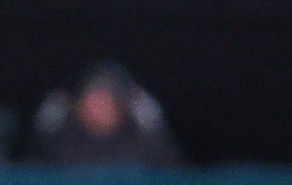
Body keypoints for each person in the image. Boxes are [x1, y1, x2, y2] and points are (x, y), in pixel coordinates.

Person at [27, 61, 182, 169]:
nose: (96, 109)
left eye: (104, 101)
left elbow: (171, 176)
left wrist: (155, 128)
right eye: (91, 101)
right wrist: (45, 130)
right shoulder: (60, 143)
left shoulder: (142, 144)